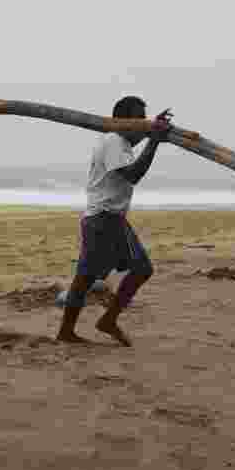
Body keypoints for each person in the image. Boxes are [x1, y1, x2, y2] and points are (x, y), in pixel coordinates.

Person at [56, 96, 171, 346]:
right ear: (123, 121)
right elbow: (132, 175)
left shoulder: (120, 143)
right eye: (139, 119)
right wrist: (154, 140)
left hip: (106, 218)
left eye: (145, 119)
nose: (143, 123)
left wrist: (154, 131)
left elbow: (135, 151)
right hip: (105, 220)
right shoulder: (114, 142)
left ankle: (73, 330)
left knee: (86, 278)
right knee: (139, 269)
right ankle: (103, 322)